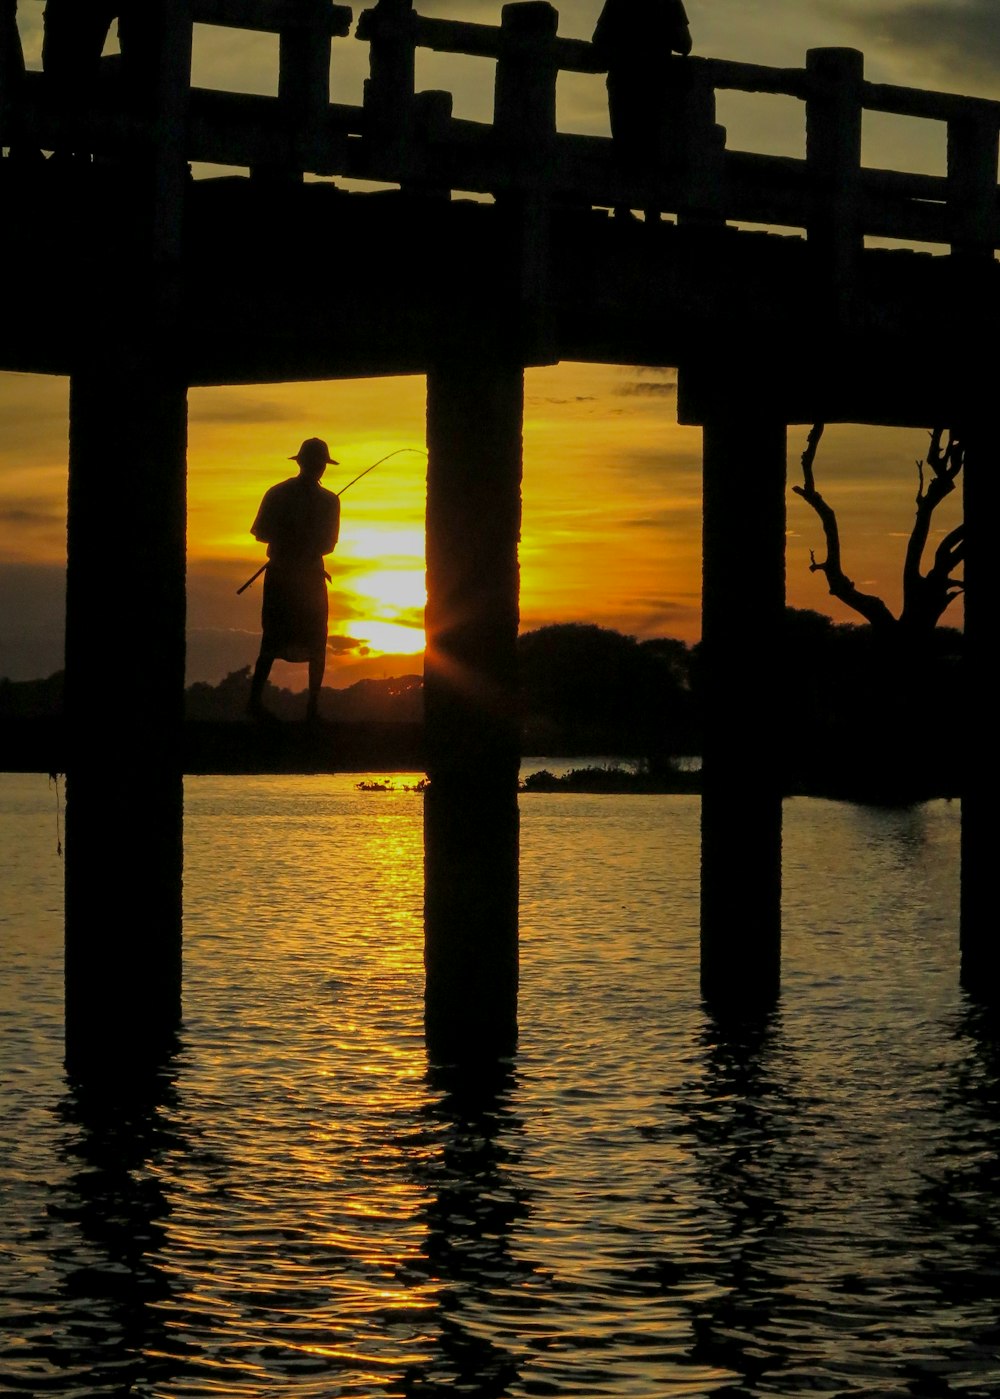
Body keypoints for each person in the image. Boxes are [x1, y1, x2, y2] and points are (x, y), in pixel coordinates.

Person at [248, 437, 342, 722]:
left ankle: (312, 708)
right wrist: (294, 538)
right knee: (272, 639)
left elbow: (329, 544)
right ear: (302, 463)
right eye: (315, 463)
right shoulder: (278, 494)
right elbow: (260, 532)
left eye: (321, 465)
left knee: (316, 642)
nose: (318, 469)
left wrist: (301, 542)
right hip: (284, 577)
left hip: (309, 578)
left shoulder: (329, 501)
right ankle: (255, 704)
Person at [591, 0, 692, 217]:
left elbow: (598, 38)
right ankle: (652, 211)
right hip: (655, 84)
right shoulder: (669, 2)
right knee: (653, 147)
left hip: (623, 82)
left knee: (624, 144)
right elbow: (685, 44)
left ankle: (623, 206)